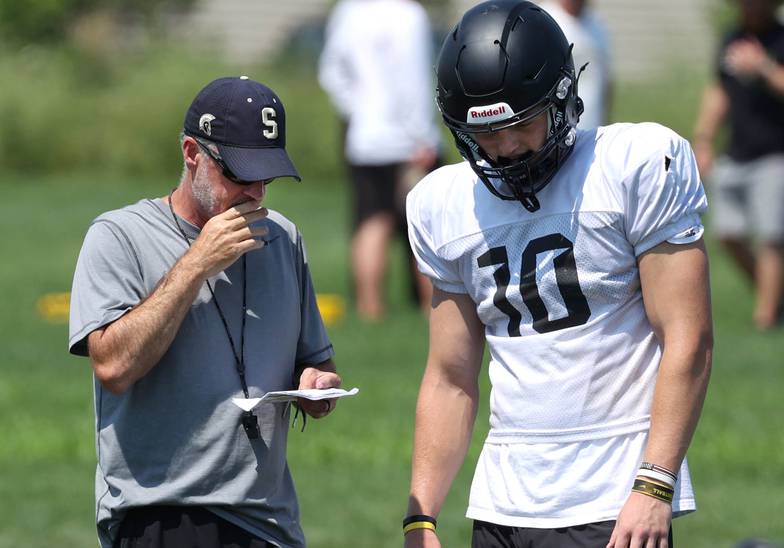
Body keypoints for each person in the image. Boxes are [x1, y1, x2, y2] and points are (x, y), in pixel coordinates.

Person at [402, 2, 713, 547]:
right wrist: (421, 514)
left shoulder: (633, 164)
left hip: (614, 495)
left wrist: (654, 485)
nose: (503, 149)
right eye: (487, 134)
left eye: (519, 124)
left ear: (563, 97)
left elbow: (687, 338)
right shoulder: (442, 204)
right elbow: (450, 377)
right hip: (502, 500)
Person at [68, 76, 341, 548]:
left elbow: (314, 358)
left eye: (267, 177)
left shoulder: (283, 239)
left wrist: (316, 383)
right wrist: (197, 262)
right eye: (239, 174)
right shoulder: (117, 236)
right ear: (193, 153)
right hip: (161, 515)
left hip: (268, 523)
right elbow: (113, 366)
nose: (255, 192)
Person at [318, 0, 440, 320]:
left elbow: (331, 72)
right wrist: (422, 135)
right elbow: (413, 81)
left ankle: (370, 310)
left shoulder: (349, 11)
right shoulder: (409, 15)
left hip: (365, 137)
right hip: (408, 140)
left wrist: (357, 109)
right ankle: (434, 309)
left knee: (372, 220)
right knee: (424, 224)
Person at [693, 0, 784, 330]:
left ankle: (766, 319)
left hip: (779, 154)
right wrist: (703, 139)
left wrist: (764, 68)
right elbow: (719, 90)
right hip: (736, 153)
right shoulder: (731, 37)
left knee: (773, 237)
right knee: (728, 234)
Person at [540, 0, 612, 128]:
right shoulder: (542, 20)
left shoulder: (597, 25)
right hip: (557, 133)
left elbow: (606, 81)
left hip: (592, 129)